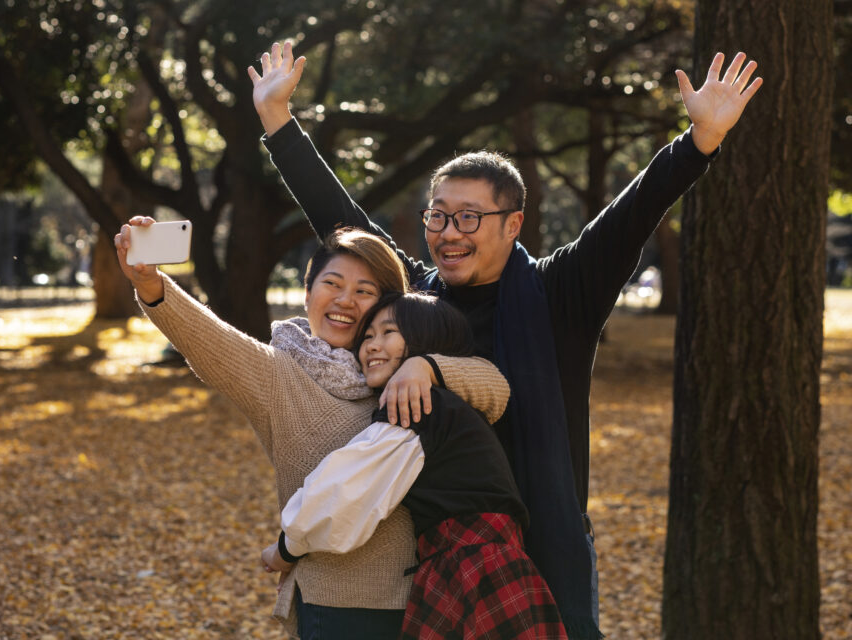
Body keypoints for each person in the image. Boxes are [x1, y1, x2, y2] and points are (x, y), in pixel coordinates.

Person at [248, 42, 762, 639]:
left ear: (513, 223)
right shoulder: (415, 299)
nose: (448, 233)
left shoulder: (560, 293)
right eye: (438, 215)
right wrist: (278, 122)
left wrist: (698, 141)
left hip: (545, 546)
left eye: (469, 218)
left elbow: (632, 215)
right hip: (436, 559)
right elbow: (342, 219)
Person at [114, 222, 510, 639]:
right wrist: (152, 285)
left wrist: (426, 367)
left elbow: (496, 390)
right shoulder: (279, 376)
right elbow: (207, 340)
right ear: (308, 294)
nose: (345, 300)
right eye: (332, 284)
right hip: (340, 606)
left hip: (433, 599)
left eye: (364, 291)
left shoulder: (398, 364)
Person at [261, 292, 568, 640]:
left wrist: (285, 549)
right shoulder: (446, 405)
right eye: (367, 336)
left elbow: (345, 492)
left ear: (425, 339)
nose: (372, 346)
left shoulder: (416, 405)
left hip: (475, 568)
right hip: (478, 562)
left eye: (388, 332)